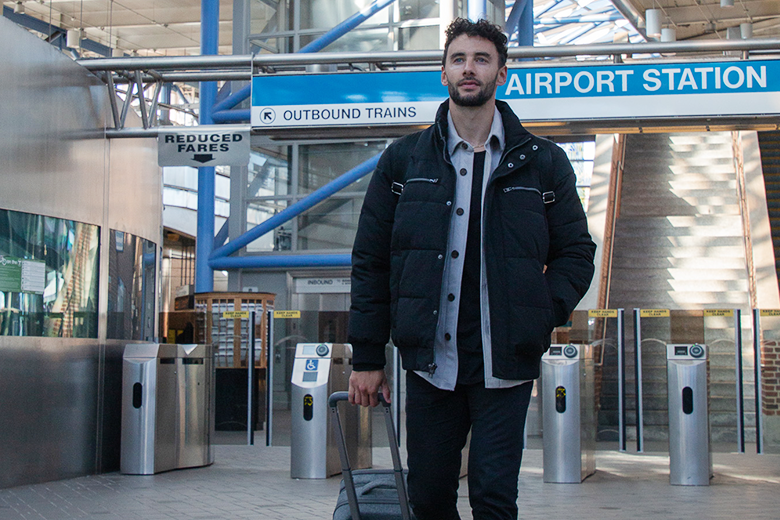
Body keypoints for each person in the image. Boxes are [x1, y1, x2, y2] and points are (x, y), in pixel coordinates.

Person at [347, 18, 596, 520]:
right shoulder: (403, 162)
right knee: (430, 497)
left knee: (494, 497)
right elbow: (371, 261)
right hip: (431, 362)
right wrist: (367, 357)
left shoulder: (543, 162)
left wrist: (540, 312)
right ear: (443, 73)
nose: (469, 68)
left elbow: (576, 251)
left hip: (504, 364)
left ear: (501, 73)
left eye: (481, 59)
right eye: (459, 59)